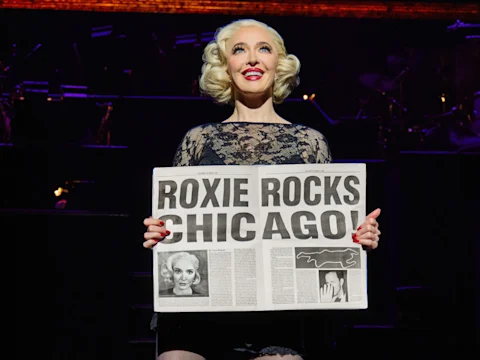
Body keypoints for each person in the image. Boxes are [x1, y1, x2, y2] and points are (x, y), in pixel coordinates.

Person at [143, 19, 381, 360]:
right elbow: (178, 227)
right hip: (198, 316)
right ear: (225, 67)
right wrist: (160, 232)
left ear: (279, 64)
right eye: (239, 50)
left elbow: (327, 240)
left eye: (263, 49)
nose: (252, 59)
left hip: (279, 318)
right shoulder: (197, 140)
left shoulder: (310, 144)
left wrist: (358, 238)